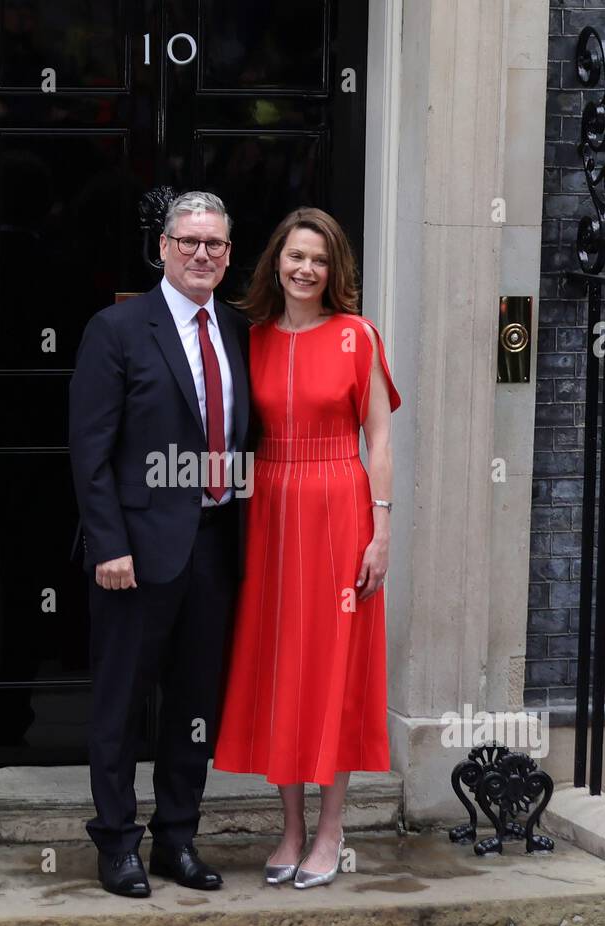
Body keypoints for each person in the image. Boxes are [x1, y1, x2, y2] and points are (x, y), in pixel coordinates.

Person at [68, 191, 251, 897]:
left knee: (193, 707)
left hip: (213, 550)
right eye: (190, 241)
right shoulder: (116, 329)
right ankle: (117, 843)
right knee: (120, 703)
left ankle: (178, 836)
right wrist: (108, 545)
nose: (202, 254)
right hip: (134, 554)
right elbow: (90, 449)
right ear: (164, 248)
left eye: (215, 245)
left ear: (229, 256)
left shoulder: (238, 329)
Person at [213, 207, 400, 889]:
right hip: (269, 506)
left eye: (318, 259)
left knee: (332, 668)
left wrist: (381, 530)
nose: (305, 269)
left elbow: (378, 437)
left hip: (340, 503)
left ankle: (330, 828)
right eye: (295, 255)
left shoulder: (357, 335)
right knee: (282, 663)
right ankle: (289, 826)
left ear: (335, 270)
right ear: (275, 262)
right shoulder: (251, 337)